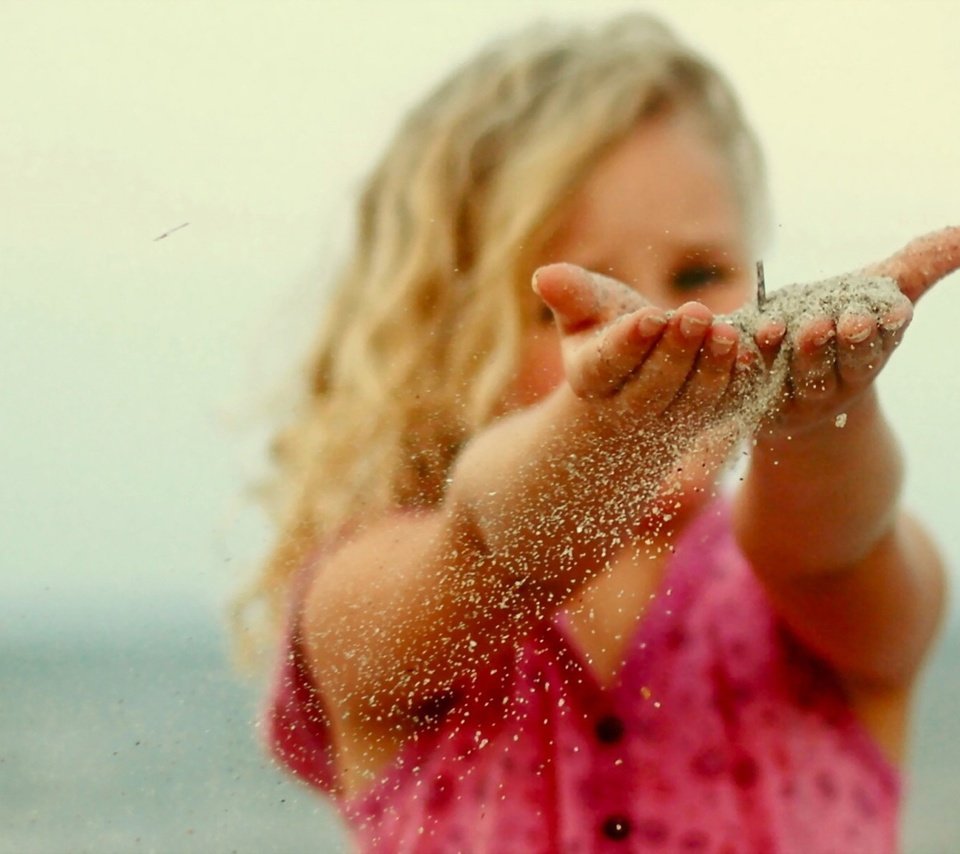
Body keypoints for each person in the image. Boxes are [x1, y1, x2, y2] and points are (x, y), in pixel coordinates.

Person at [242, 12, 960, 852]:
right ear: (447, 337)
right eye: (576, 301)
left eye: (700, 273)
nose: (667, 320)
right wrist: (604, 428)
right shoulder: (375, 598)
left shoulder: (810, 585)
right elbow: (492, 542)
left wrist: (813, 412)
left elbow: (831, 547)